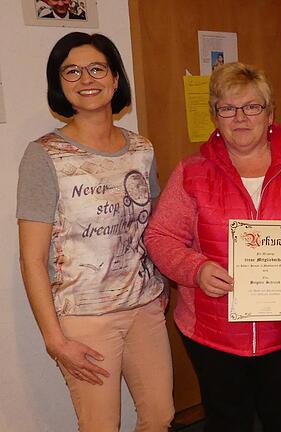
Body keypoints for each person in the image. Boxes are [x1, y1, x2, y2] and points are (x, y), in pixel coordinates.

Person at [143, 62, 281, 432]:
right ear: (215, 116)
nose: (240, 117)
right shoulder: (192, 171)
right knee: (226, 422)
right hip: (213, 332)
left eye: (252, 106)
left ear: (270, 114)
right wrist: (196, 268)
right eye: (228, 108)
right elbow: (160, 236)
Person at [17, 32, 173, 431]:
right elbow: (32, 259)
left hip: (144, 308)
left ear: (115, 78)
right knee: (101, 426)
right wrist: (55, 339)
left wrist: (163, 288)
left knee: (160, 416)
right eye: (71, 71)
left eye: (96, 68)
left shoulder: (142, 148)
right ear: (60, 84)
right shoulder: (44, 155)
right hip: (84, 319)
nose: (86, 79)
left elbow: (152, 229)